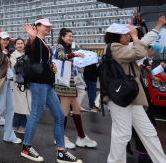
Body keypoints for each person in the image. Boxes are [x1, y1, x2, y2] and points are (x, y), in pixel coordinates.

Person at [21, 19, 82, 163]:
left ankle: (61, 152)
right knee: (36, 115)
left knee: (60, 116)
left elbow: (41, 60)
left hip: (47, 84)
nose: (49, 28)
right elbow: (28, 50)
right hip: (39, 84)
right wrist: (31, 37)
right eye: (46, 26)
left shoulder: (44, 43)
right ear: (37, 27)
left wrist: (51, 65)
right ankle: (26, 146)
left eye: (50, 26)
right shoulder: (35, 40)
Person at [104, 24, 166, 163]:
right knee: (123, 134)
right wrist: (135, 36)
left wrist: (139, 66)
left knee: (149, 132)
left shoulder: (121, 48)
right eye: (126, 34)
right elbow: (140, 52)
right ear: (117, 36)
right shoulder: (114, 47)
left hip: (131, 96)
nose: (129, 36)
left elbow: (139, 52)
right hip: (121, 97)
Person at [54, 28, 97, 149]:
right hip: (64, 84)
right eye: (69, 36)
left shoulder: (67, 48)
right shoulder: (60, 47)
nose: (71, 38)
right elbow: (62, 57)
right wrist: (75, 54)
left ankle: (81, 137)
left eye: (72, 36)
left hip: (70, 83)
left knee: (76, 108)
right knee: (64, 110)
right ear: (62, 37)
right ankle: (60, 137)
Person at [10, 38, 31, 134]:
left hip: (26, 83)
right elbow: (15, 69)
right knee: (20, 105)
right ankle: (20, 125)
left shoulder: (26, 54)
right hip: (18, 83)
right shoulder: (13, 56)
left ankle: (16, 125)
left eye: (21, 43)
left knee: (22, 105)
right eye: (18, 43)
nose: (20, 45)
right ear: (14, 45)